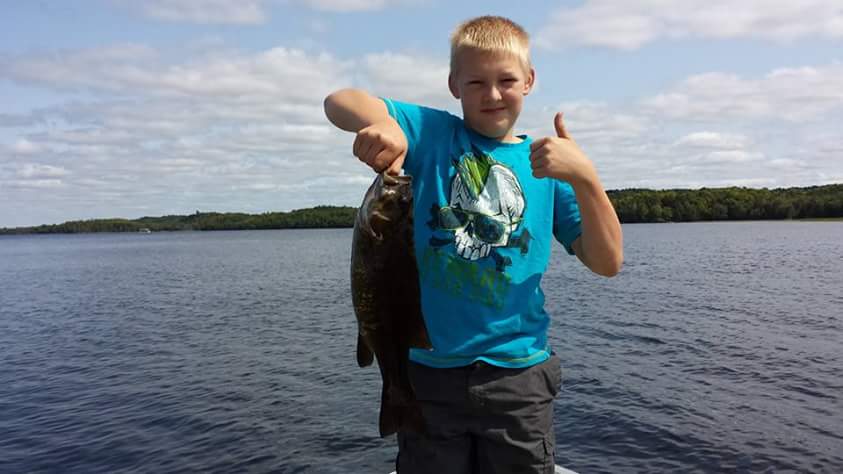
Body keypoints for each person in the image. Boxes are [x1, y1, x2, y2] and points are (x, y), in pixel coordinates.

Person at [324, 15, 623, 474]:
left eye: (506, 80)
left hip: (519, 377)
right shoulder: (432, 134)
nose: (493, 93)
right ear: (454, 85)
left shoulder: (549, 169)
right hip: (427, 373)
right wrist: (388, 128)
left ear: (529, 81)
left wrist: (585, 176)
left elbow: (607, 262)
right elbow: (338, 102)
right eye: (476, 81)